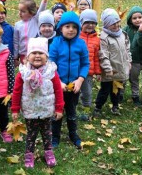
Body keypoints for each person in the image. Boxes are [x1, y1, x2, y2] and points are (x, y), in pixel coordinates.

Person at [11, 38, 64, 168]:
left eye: (41, 53)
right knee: (31, 134)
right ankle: (29, 154)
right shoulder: (23, 73)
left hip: (46, 109)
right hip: (30, 110)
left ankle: (48, 152)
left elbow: (58, 90)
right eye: (34, 53)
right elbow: (17, 91)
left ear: (46, 57)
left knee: (47, 133)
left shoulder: (51, 72)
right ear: (28, 57)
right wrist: (15, 109)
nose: (37, 56)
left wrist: (59, 108)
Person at [49, 11, 90, 149]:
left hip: (74, 86)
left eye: (74, 26)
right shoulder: (55, 43)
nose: (71, 29)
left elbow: (85, 64)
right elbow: (51, 65)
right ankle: (55, 136)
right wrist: (58, 82)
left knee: (71, 111)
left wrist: (80, 80)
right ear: (61, 28)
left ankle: (73, 134)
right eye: (67, 26)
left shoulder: (81, 44)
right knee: (57, 111)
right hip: (58, 86)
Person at [93, 9, 132, 117]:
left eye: (117, 22)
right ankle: (98, 107)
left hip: (120, 68)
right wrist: (107, 68)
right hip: (110, 71)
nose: (116, 25)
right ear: (106, 24)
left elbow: (127, 49)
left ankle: (115, 106)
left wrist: (129, 60)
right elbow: (103, 54)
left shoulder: (123, 34)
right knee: (105, 90)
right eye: (112, 23)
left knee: (117, 90)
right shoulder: (104, 37)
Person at [13, 0, 54, 66]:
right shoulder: (17, 25)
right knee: (26, 73)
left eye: (23, 11)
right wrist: (15, 56)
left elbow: (42, 8)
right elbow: (16, 41)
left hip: (36, 53)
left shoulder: (35, 20)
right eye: (19, 11)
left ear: (31, 12)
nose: (20, 13)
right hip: (23, 54)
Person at [122, 6, 142, 106]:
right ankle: (120, 94)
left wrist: (140, 33)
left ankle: (135, 96)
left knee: (134, 79)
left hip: (136, 60)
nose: (137, 20)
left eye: (140, 17)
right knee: (123, 77)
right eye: (134, 18)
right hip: (124, 59)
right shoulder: (126, 29)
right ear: (130, 19)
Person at [78, 9, 101, 120]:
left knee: (87, 93)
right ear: (81, 23)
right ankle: (72, 109)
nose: (90, 25)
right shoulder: (76, 37)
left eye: (93, 23)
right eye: (87, 22)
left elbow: (96, 57)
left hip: (88, 72)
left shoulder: (97, 40)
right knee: (74, 91)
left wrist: (98, 72)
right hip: (75, 71)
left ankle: (85, 111)